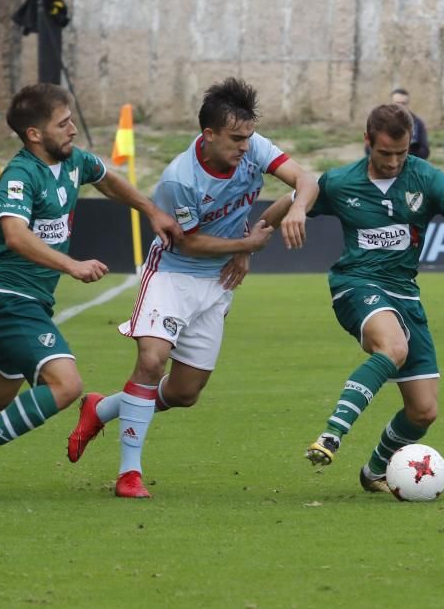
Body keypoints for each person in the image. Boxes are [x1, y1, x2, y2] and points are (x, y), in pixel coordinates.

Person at [0, 82, 183, 493]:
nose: (73, 129)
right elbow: (15, 236)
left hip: (31, 301)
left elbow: (108, 179)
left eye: (71, 120)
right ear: (35, 134)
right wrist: (71, 265)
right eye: (63, 124)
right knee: (67, 385)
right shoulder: (20, 175)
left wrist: (150, 209)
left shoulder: (73, 161)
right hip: (9, 299)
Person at [64, 77, 318, 498]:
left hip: (217, 283)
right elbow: (188, 241)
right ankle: (129, 474)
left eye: (248, 137)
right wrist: (247, 245)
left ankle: (101, 407)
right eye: (236, 138)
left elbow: (305, 180)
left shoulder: (253, 147)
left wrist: (297, 212)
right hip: (172, 276)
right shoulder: (180, 179)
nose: (244, 146)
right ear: (209, 134)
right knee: (151, 361)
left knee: (184, 393)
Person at [262, 103, 444, 492]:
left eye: (403, 152)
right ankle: (332, 435)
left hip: (405, 295)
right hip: (356, 284)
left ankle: (375, 471)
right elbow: (291, 201)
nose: (395, 161)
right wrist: (277, 220)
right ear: (367, 142)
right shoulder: (343, 182)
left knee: (423, 411)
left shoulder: (426, 178)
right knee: (392, 346)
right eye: (385, 153)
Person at [389, 88, 430, 159]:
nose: (401, 106)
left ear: (408, 104)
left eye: (404, 103)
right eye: (397, 103)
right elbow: (370, 149)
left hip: (410, 164)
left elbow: (425, 152)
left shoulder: (417, 123)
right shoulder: (380, 121)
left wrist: (408, 151)